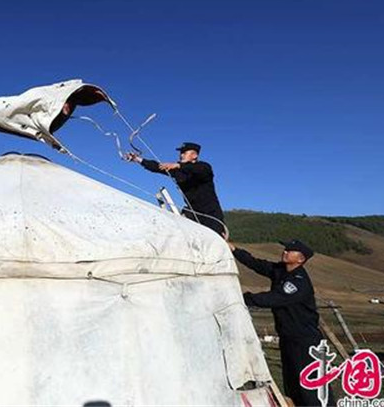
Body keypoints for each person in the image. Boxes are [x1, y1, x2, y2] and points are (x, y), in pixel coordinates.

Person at [229, 239, 326, 407]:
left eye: (291, 250)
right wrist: (234, 250)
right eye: (286, 248)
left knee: (311, 387)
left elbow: (274, 298)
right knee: (293, 384)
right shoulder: (281, 270)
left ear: (301, 259)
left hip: (305, 341)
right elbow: (257, 264)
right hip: (288, 337)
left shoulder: (298, 282)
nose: (285, 251)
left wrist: (240, 298)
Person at [125, 142, 226, 236]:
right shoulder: (178, 171)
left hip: (211, 214)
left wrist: (178, 165)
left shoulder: (204, 167)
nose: (181, 155)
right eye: (181, 153)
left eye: (184, 153)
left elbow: (198, 169)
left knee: (217, 242)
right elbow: (157, 167)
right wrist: (138, 159)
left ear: (194, 155)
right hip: (192, 212)